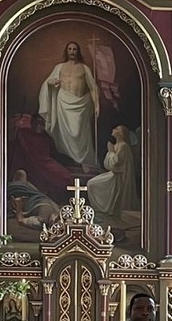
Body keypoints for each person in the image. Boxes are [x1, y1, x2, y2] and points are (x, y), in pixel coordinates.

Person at [37, 41, 99, 169]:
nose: (72, 51)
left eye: (74, 49)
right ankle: (69, 161)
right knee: (63, 133)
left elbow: (93, 88)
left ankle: (82, 160)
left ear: (78, 51)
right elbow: (48, 82)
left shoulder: (84, 68)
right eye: (70, 49)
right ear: (67, 51)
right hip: (62, 102)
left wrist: (97, 105)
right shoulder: (59, 67)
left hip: (79, 105)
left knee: (78, 132)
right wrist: (51, 83)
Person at [86, 124, 136, 220]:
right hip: (113, 174)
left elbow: (116, 163)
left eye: (116, 129)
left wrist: (111, 151)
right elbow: (109, 165)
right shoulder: (118, 145)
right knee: (91, 183)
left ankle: (106, 209)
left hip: (118, 177)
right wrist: (111, 151)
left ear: (121, 134)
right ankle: (100, 208)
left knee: (92, 184)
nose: (113, 129)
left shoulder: (124, 146)